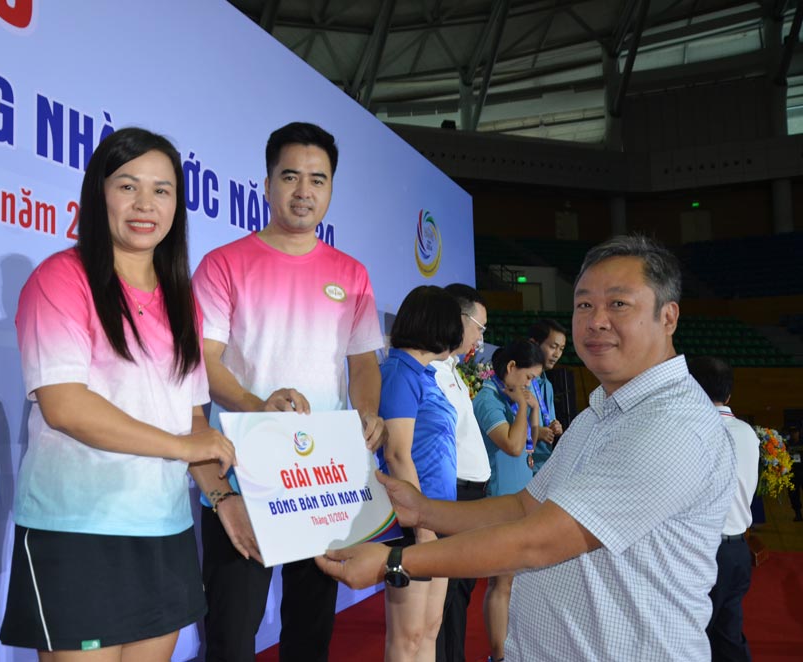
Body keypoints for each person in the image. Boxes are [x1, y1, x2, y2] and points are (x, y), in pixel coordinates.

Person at [316, 234, 737, 661]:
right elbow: (524, 507)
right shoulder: (600, 414)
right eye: (584, 305)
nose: (596, 321)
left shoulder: (672, 426)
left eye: (618, 304)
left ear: (668, 317)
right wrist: (423, 511)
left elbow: (537, 541)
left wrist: (396, 562)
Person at [0, 128, 237, 662]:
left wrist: (224, 500)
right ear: (98, 192)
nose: (145, 204)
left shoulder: (183, 300)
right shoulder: (61, 279)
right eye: (128, 186)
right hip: (79, 527)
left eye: (162, 190)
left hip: (165, 527)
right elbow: (65, 406)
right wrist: (183, 447)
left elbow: (194, 419)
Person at [191, 121, 387, 662]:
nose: (304, 191)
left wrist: (366, 412)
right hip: (242, 471)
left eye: (318, 180)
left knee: (310, 633)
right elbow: (205, 365)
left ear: (330, 190)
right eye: (291, 177)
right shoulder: (222, 264)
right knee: (232, 634)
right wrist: (260, 409)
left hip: (319, 480)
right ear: (267, 182)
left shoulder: (352, 274)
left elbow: (364, 364)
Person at [378, 285, 463, 662]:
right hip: (413, 521)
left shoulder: (424, 373)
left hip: (438, 513)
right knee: (408, 635)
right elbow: (397, 453)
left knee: (429, 629)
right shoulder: (399, 372)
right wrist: (422, 526)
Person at [471, 340, 545, 662]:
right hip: (499, 499)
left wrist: (533, 410)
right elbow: (514, 446)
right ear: (511, 368)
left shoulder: (511, 398)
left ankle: (511, 650)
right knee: (501, 584)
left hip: (521, 499)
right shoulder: (489, 398)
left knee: (515, 585)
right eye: (528, 378)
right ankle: (499, 656)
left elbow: (532, 439)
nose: (530, 386)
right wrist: (524, 407)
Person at [687, 355, 759, 662]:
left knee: (691, 635)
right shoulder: (748, 433)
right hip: (738, 551)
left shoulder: (692, 432)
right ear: (728, 394)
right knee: (728, 634)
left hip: (704, 550)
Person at [433, 285, 490, 662]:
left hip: (472, 495)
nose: (481, 337)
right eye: (479, 327)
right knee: (447, 598)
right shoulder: (431, 371)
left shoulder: (453, 368)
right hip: (453, 495)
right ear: (458, 319)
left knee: (460, 594)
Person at [527, 319, 568, 474]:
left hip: (543, 466)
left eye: (561, 349)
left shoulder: (547, 385)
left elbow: (548, 420)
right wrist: (537, 432)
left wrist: (555, 427)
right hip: (522, 465)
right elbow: (508, 428)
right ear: (534, 343)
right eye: (553, 347)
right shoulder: (520, 380)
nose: (557, 354)